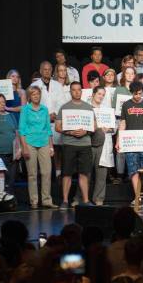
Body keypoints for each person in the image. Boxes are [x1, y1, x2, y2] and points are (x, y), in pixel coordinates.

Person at [55, 81, 95, 210]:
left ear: (81, 92)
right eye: (74, 90)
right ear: (70, 91)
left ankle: (86, 200)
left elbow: (94, 126)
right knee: (66, 173)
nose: (77, 92)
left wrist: (86, 131)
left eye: (79, 90)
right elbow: (57, 126)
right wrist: (70, 132)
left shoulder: (88, 107)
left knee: (84, 173)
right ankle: (65, 201)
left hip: (85, 144)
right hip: (69, 144)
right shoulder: (64, 107)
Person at [116, 81, 143, 206]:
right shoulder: (126, 105)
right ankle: (138, 196)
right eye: (135, 94)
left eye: (140, 93)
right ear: (131, 92)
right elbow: (122, 123)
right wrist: (118, 140)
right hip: (130, 143)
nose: (138, 96)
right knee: (133, 171)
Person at [19, 86, 56, 208]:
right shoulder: (25, 109)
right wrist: (24, 147)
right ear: (30, 96)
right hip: (30, 143)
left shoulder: (44, 109)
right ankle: (34, 200)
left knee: (46, 172)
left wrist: (51, 146)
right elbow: (22, 130)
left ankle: (46, 200)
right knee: (32, 174)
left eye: (38, 94)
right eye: (33, 94)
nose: (36, 96)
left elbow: (48, 129)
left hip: (44, 142)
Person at [89, 86, 112, 205]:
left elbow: (114, 127)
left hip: (103, 144)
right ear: (93, 94)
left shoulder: (106, 109)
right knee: (85, 173)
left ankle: (99, 198)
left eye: (103, 94)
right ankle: (81, 198)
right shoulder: (86, 108)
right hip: (88, 143)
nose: (101, 96)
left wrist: (109, 128)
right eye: (99, 94)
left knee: (101, 173)